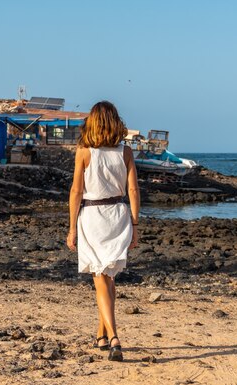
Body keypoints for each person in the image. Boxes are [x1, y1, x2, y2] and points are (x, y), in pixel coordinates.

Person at [66, 101, 140, 362]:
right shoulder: (126, 152)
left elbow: (76, 191)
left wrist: (72, 227)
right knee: (109, 278)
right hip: (118, 215)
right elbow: (132, 191)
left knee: (100, 277)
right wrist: (135, 224)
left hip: (93, 216)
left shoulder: (84, 152)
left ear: (93, 123)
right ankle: (101, 334)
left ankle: (114, 337)